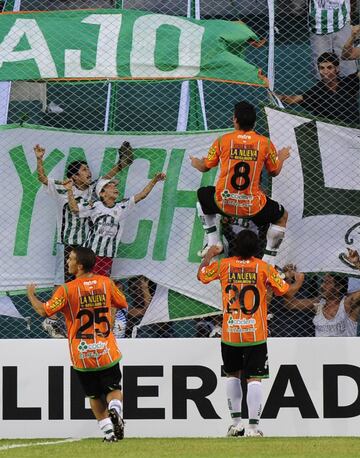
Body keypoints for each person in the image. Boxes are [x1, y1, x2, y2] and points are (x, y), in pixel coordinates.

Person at [197, 230, 303, 437]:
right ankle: (253, 428)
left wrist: (209, 255)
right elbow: (286, 291)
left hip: (231, 333)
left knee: (232, 375)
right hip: (255, 332)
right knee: (254, 378)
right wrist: (299, 280)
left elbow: (201, 276)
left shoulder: (224, 265)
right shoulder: (263, 267)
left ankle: (236, 424)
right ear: (257, 248)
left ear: (235, 246)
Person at [26, 246, 128, 442]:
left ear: (79, 266)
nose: (68, 262)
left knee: (94, 396)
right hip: (105, 349)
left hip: (82, 354)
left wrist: (31, 294)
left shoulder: (67, 289)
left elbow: (43, 311)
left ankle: (109, 435)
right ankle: (115, 409)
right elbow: (122, 302)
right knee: (113, 388)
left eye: (71, 259)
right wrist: (109, 311)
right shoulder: (106, 283)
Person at [34, 142, 133, 337]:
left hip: (86, 246)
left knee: (83, 285)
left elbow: (106, 178)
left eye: (88, 169)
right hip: (67, 243)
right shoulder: (63, 188)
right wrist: (39, 159)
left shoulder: (92, 189)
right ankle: (51, 320)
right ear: (75, 175)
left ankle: (81, 321)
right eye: (84, 169)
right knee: (62, 282)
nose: (89, 172)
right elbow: (43, 179)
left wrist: (122, 164)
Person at [190, 101, 290, 265]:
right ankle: (269, 261)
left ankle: (214, 242)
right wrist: (282, 158)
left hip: (224, 203)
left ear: (234, 119)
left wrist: (196, 163)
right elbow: (274, 172)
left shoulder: (223, 141)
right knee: (282, 216)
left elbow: (205, 167)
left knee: (203, 195)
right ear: (255, 123)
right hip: (252, 206)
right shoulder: (264, 143)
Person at [66, 173, 166, 276]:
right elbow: (74, 209)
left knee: (101, 285)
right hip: (90, 254)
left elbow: (142, 195)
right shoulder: (96, 206)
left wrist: (155, 180)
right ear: (102, 193)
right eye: (110, 186)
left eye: (115, 186)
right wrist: (69, 190)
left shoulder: (121, 207)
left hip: (107, 256)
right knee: (86, 282)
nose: (114, 188)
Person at [276, 52, 359, 124]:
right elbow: (293, 99)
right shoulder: (316, 91)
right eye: (322, 68)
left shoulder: (348, 83)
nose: (325, 72)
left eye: (329, 67)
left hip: (353, 130)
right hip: (329, 134)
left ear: (337, 69)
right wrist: (278, 96)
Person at [281, 265, 360, 336]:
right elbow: (290, 304)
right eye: (322, 282)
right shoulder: (318, 304)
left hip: (345, 350)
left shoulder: (348, 303)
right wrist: (291, 280)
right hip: (320, 351)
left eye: (327, 282)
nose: (322, 286)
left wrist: (358, 265)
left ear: (338, 287)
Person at [308, 0, 357, 78]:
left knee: (347, 64)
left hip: (342, 21)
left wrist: (350, 16)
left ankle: (349, 87)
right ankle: (325, 89)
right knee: (322, 66)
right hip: (318, 25)